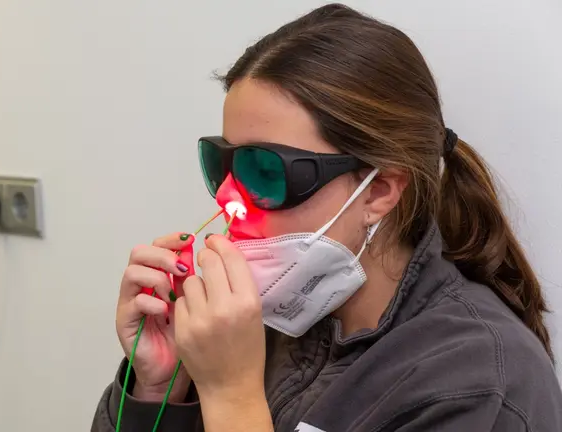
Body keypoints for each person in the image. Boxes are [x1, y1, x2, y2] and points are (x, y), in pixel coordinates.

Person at [91, 4, 562, 431]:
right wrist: (160, 389)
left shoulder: (478, 384)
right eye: (224, 163)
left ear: (378, 190)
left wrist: (231, 396)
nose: (230, 196)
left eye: (265, 170)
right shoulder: (255, 325)